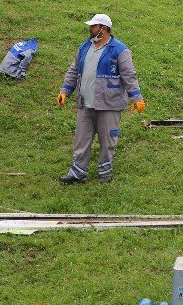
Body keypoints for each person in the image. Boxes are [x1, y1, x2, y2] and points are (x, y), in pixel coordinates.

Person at [57, 14, 145, 184]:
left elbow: (129, 75)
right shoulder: (84, 47)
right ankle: (77, 173)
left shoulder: (119, 49)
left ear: (103, 29)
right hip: (85, 104)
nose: (90, 29)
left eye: (93, 26)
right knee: (81, 139)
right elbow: (74, 70)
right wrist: (65, 91)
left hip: (109, 104)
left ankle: (105, 174)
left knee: (108, 140)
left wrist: (136, 98)